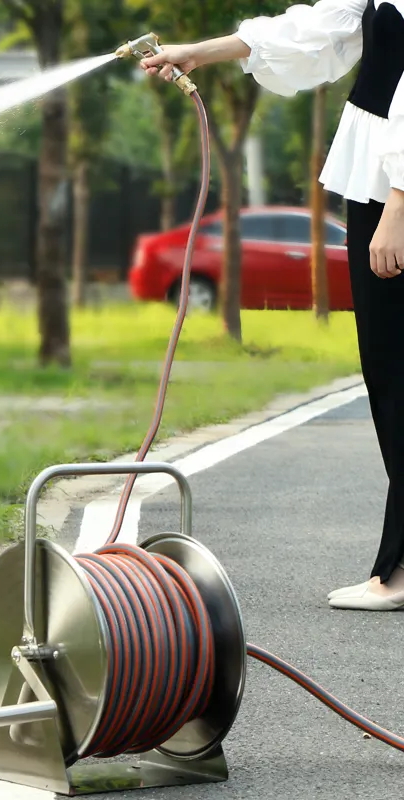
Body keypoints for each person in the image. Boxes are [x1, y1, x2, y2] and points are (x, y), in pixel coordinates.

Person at [141, 0, 404, 611]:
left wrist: (396, 207)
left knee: (394, 375)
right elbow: (311, 32)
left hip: (391, 190)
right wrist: (195, 53)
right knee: (389, 375)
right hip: (380, 181)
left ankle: (396, 572)